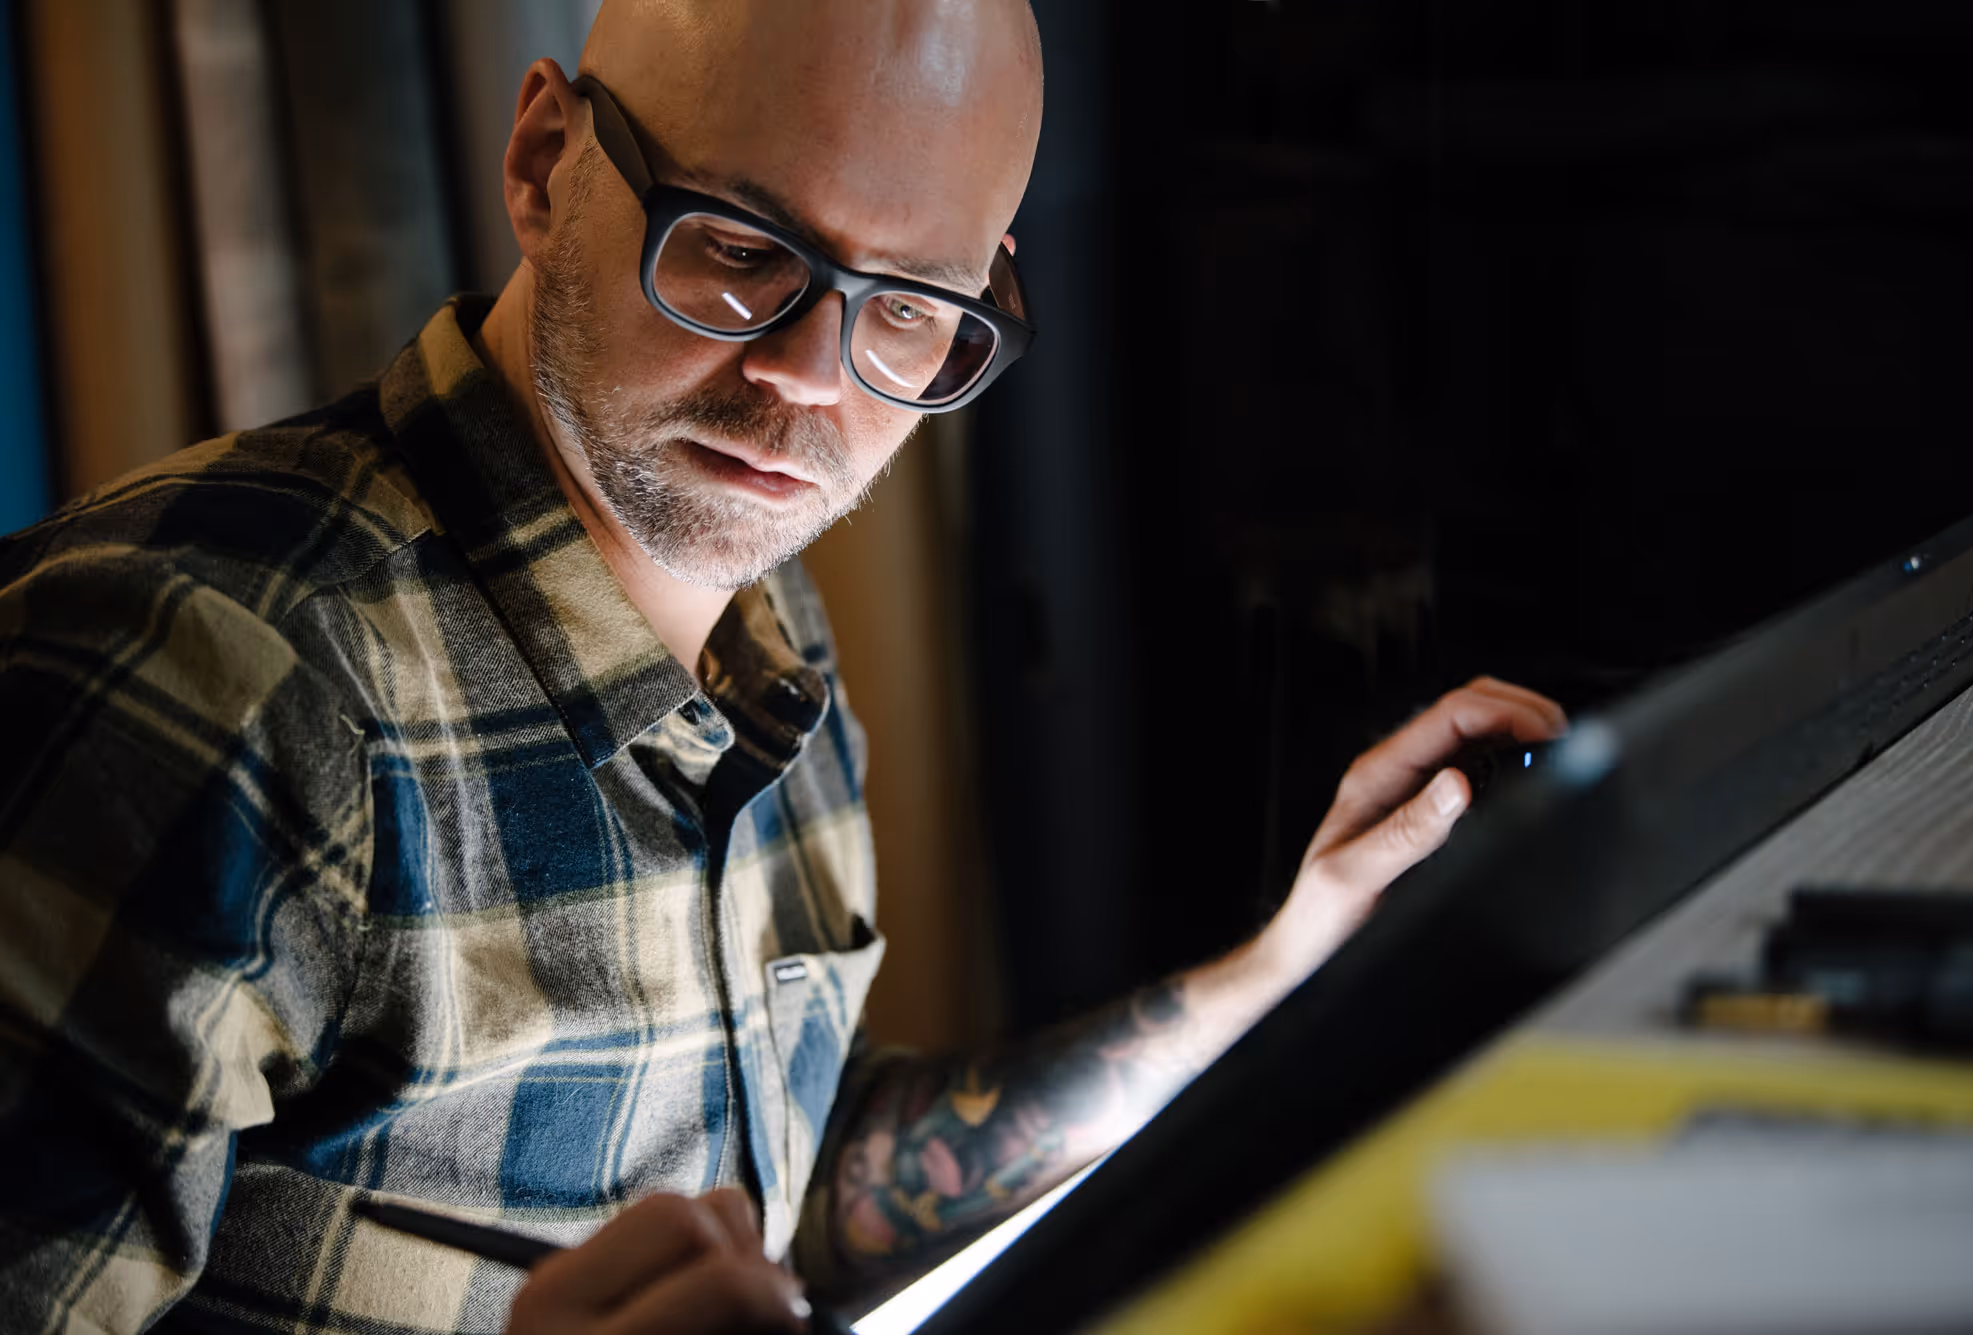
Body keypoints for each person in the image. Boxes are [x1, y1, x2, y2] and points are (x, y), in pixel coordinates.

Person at [0, 1, 1565, 1331]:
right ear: (546, 163)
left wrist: (1281, 970)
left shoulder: (766, 619)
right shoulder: (210, 681)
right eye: (744, 249)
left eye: (909, 310)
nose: (808, 381)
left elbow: (792, 1197)